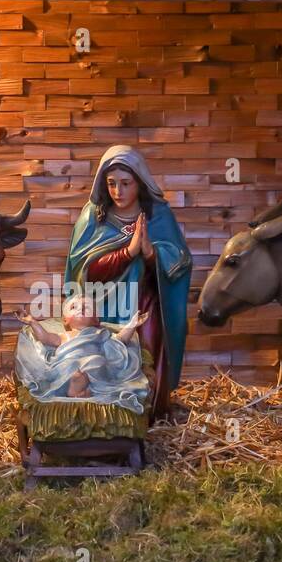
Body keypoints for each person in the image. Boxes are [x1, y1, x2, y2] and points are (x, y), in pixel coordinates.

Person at [65, 145, 192, 419]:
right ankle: (106, 417)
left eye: (125, 183)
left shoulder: (157, 216)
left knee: (144, 356)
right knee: (101, 361)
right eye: (111, 184)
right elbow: (83, 271)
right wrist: (127, 253)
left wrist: (149, 253)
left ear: (140, 182)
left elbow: (179, 262)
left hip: (143, 305)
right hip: (103, 306)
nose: (118, 192)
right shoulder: (92, 217)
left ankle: (145, 414)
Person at [16, 295, 150, 412]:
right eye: (74, 307)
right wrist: (32, 322)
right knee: (71, 367)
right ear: (65, 320)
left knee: (98, 362)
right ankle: (75, 387)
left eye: (86, 307)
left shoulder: (100, 334)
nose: (80, 309)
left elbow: (120, 340)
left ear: (96, 320)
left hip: (93, 365)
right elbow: (44, 337)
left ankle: (85, 389)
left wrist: (132, 325)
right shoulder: (64, 336)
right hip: (68, 365)